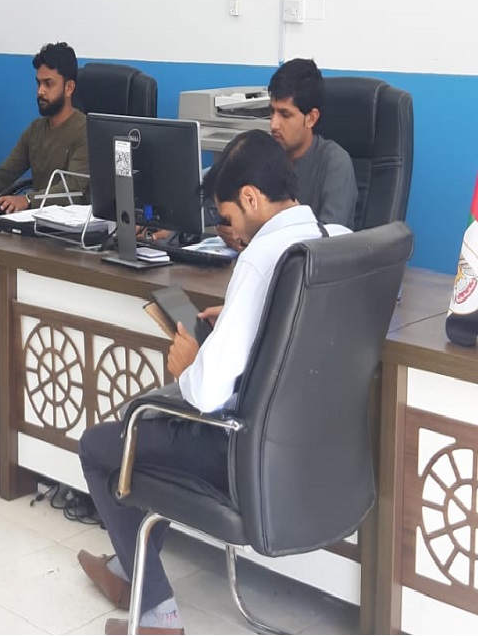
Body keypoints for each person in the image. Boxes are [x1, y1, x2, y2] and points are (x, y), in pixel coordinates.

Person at [77, 130, 350, 635]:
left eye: (228, 217)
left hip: (236, 453)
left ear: (250, 197)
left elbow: (205, 395)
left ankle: (158, 615)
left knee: (103, 445)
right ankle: (127, 569)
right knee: (149, 429)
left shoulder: (259, 260)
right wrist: (248, 314)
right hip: (307, 454)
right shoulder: (331, 238)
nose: (230, 232)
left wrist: (189, 361)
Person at [213, 58, 356, 251]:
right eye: (272, 112)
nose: (273, 124)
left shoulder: (335, 162)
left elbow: (327, 244)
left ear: (311, 118)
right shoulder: (265, 156)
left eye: (285, 114)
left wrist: (251, 241)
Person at [0, 42, 89, 213]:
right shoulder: (35, 129)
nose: (40, 91)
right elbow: (3, 175)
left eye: (48, 84)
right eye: (38, 83)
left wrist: (27, 200)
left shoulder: (85, 131)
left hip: (73, 223)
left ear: (69, 88)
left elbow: (72, 189)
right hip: (37, 219)